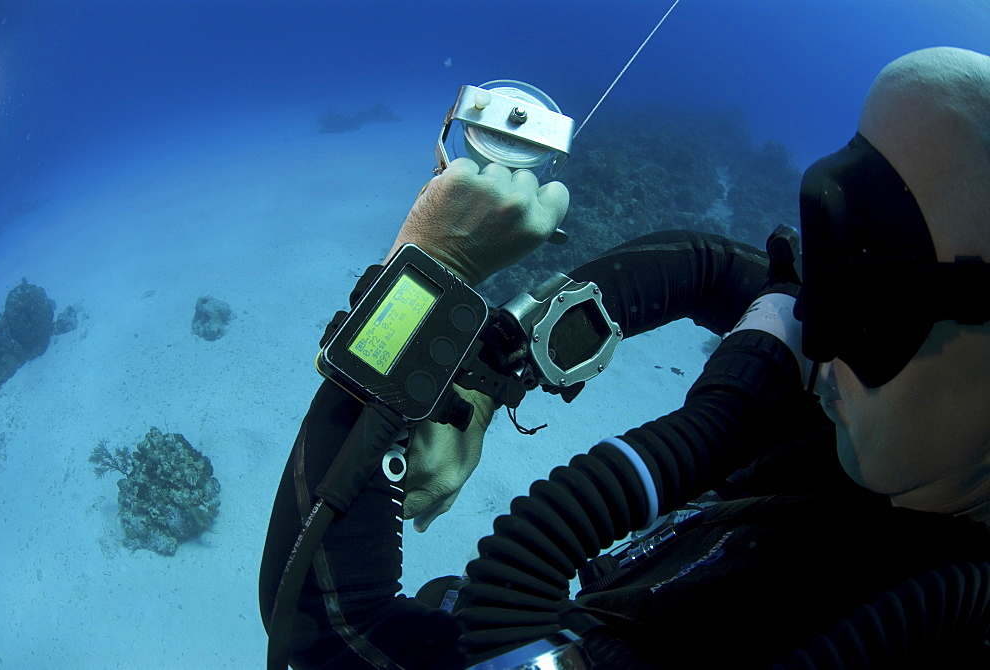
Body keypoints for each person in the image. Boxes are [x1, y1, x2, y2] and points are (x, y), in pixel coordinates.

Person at [259, 46, 990, 669]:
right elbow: (706, 268)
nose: (813, 324)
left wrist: (430, 269)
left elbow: (327, 628)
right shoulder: (889, 426)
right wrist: (487, 377)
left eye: (870, 300)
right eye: (835, 255)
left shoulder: (900, 624)